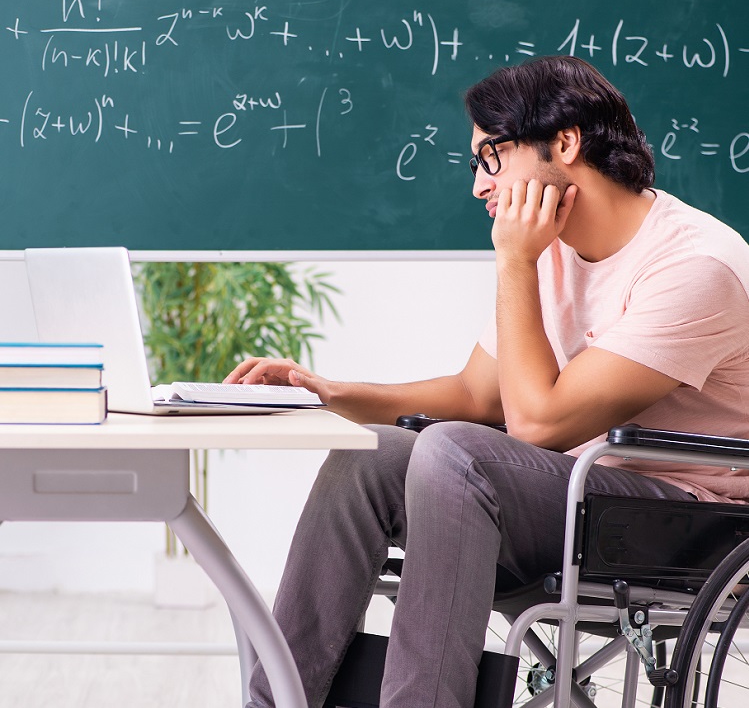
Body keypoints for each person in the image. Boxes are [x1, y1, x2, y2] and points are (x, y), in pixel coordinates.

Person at [225, 56, 749, 708]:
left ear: (564, 142)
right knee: (369, 454)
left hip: (678, 520)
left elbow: (536, 424)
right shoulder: (548, 251)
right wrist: (330, 391)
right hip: (580, 499)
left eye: (491, 156)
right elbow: (477, 394)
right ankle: (275, 700)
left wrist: (514, 260)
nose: (478, 184)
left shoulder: (695, 265)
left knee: (455, 452)